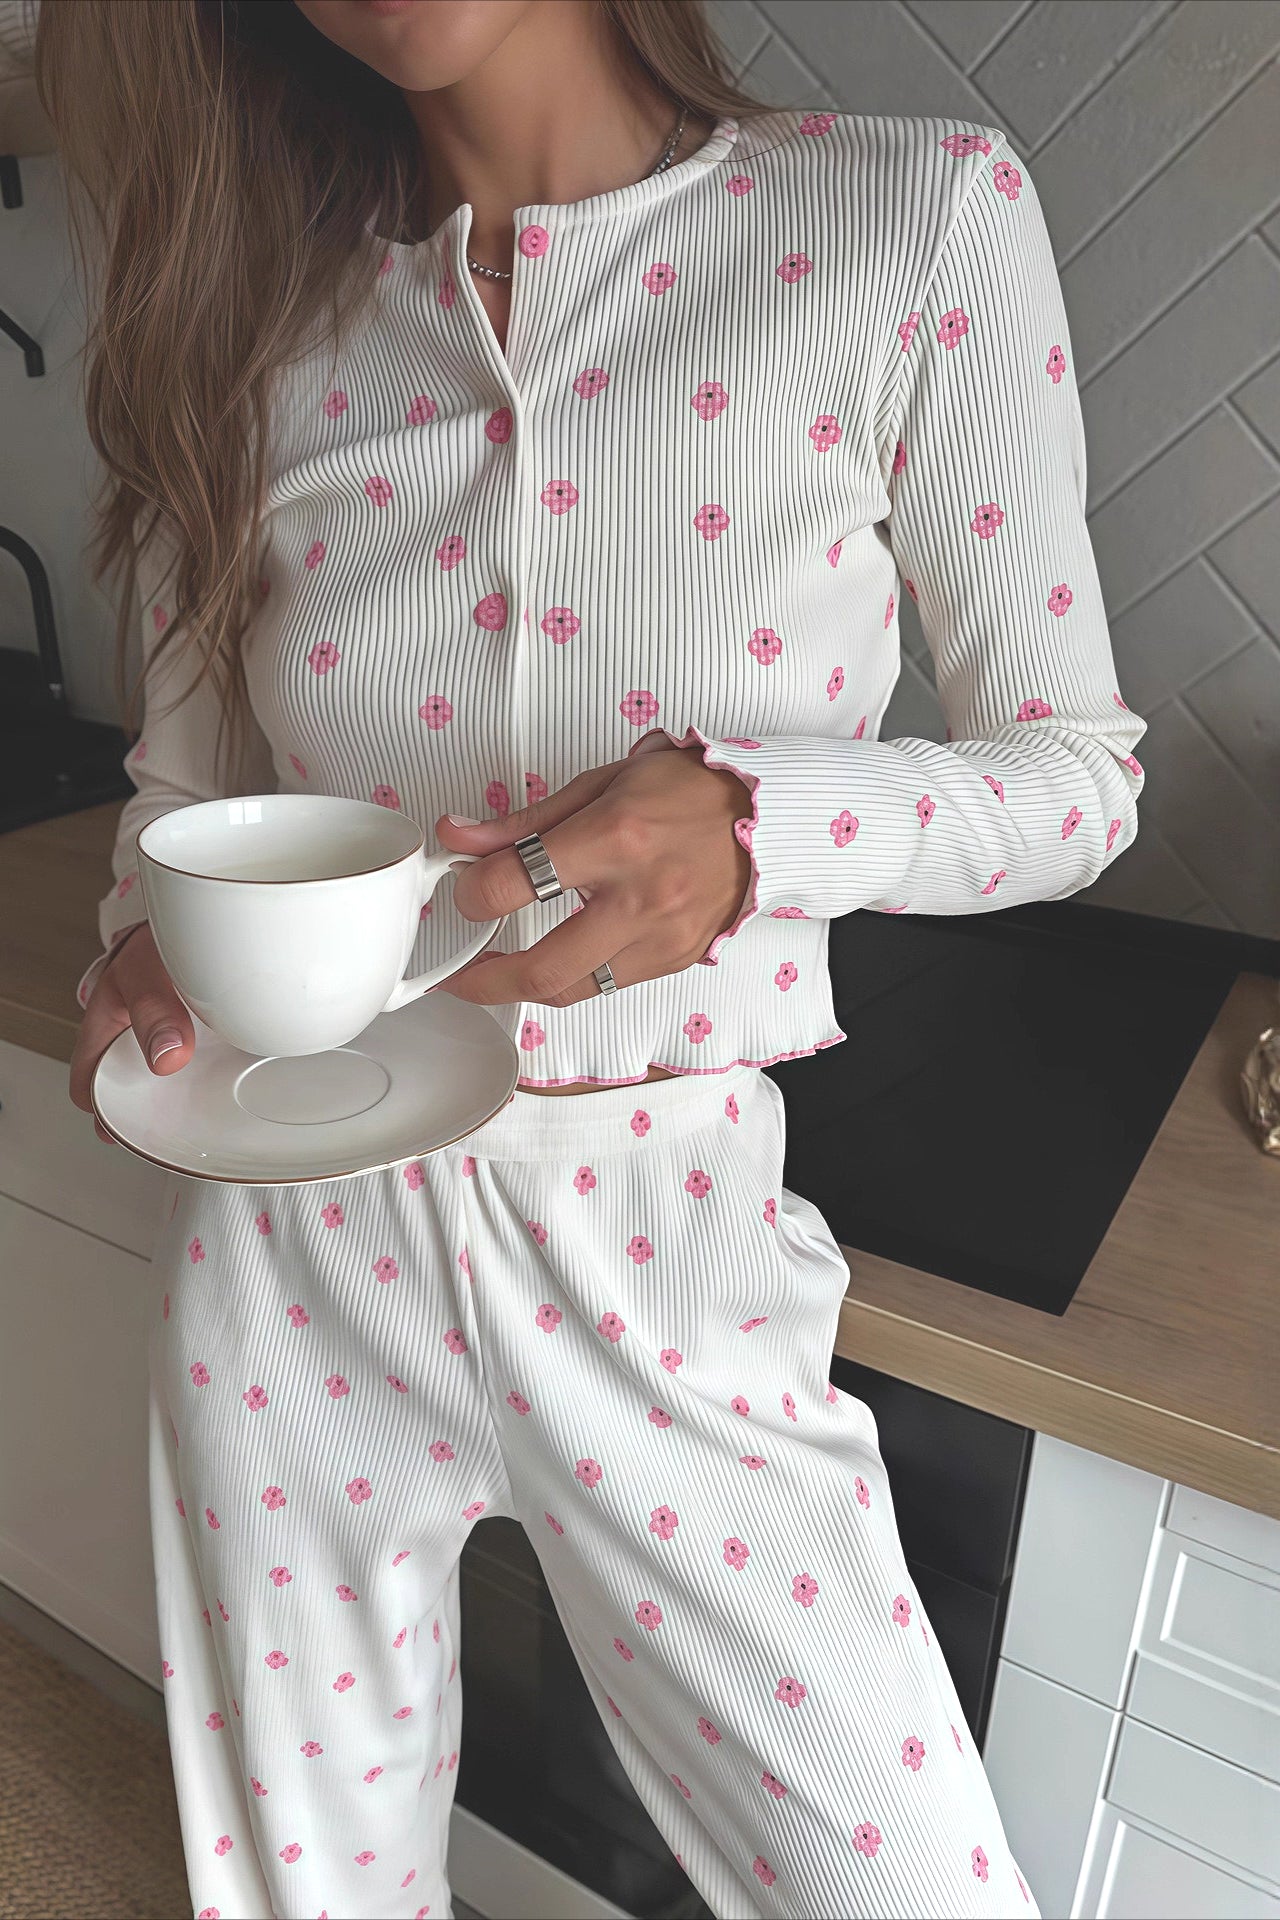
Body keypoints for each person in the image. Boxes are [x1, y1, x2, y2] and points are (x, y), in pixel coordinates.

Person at [39, 0, 1146, 1914]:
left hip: (667, 1228)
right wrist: (142, 942)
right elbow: (187, 800)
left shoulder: (909, 219)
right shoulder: (256, 328)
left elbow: (1077, 777)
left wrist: (758, 828)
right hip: (289, 1246)